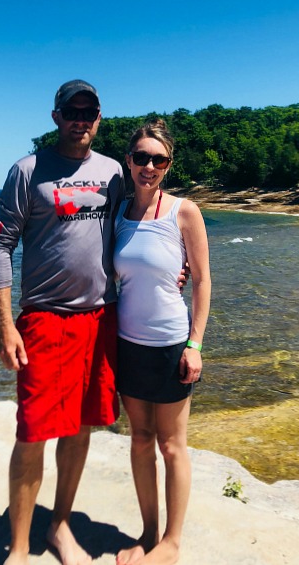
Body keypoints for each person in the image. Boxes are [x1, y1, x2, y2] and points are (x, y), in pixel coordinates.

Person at [0, 79, 124, 565]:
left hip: (99, 317)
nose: (80, 120)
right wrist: (6, 326)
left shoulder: (113, 172)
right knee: (33, 431)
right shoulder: (27, 171)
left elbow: (135, 227)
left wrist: (177, 268)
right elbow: (1, 245)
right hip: (44, 319)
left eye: (89, 113)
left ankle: (60, 526)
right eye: (72, 111)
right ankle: (20, 547)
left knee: (81, 426)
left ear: (98, 118)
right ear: (56, 116)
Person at [113, 119, 211, 565]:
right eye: (141, 157)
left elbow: (203, 281)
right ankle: (148, 531)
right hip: (128, 344)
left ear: (168, 166)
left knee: (172, 445)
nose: (148, 166)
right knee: (139, 439)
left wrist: (196, 343)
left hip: (172, 343)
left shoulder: (183, 211)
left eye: (159, 159)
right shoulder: (117, 213)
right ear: (128, 162)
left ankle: (171, 543)